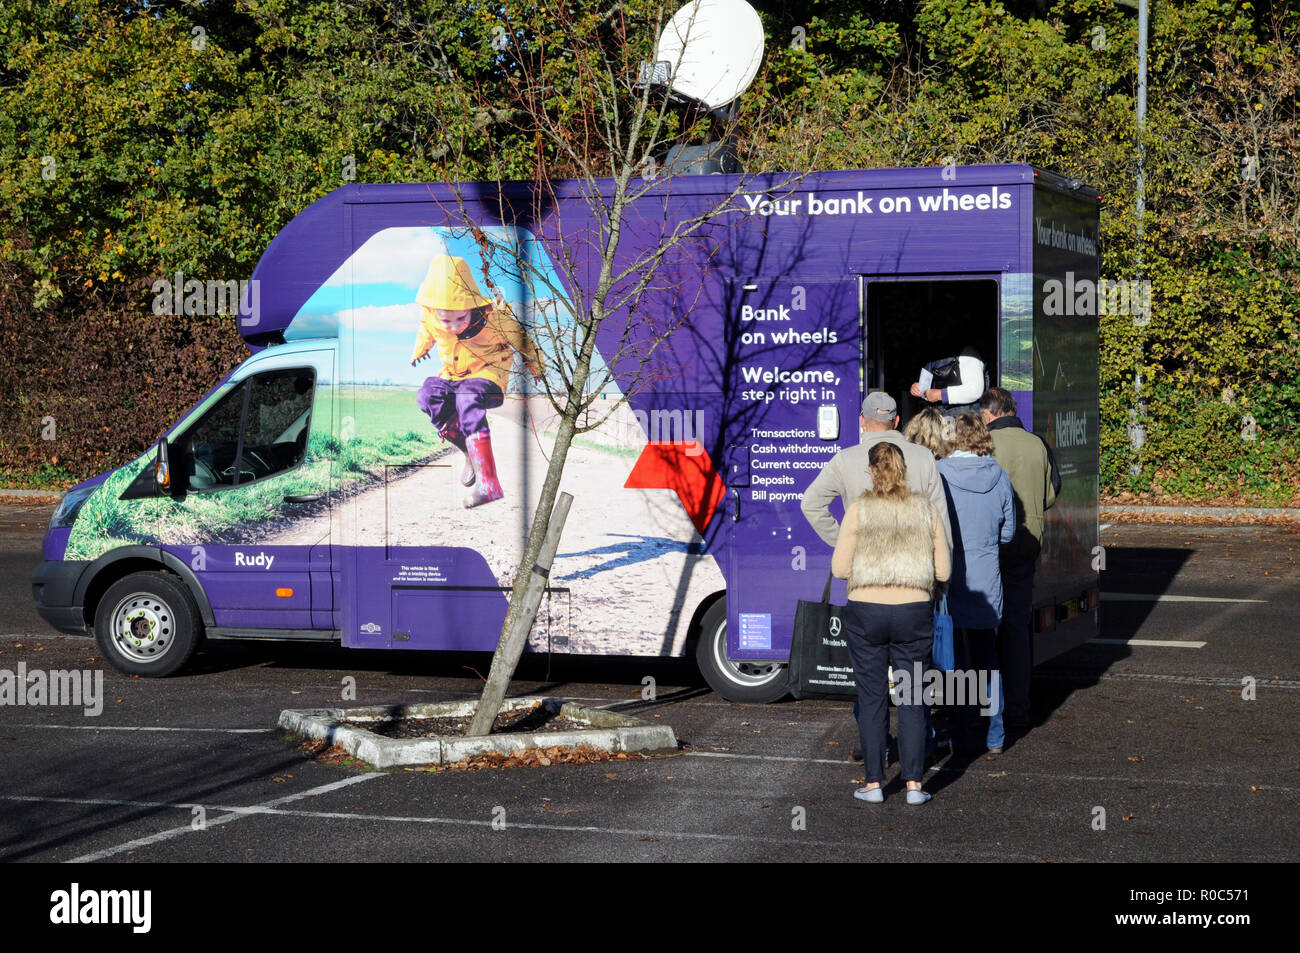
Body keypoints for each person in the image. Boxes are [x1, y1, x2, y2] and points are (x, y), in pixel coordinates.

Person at [833, 442, 950, 805]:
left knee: (871, 696)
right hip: (913, 610)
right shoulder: (926, 510)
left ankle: (874, 782)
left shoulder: (858, 511)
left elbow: (839, 569)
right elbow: (944, 570)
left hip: (866, 610)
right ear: (905, 472)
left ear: (870, 472)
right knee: (913, 697)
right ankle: (915, 784)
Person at [410, 256, 545, 508]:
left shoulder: (496, 320)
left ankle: (489, 485)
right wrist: (419, 350)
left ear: (471, 307)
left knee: (467, 398)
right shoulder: (431, 317)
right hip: (452, 377)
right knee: (427, 395)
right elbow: (426, 331)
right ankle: (469, 451)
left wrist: (535, 365)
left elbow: (523, 339)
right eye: (446, 321)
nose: (452, 327)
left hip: (488, 377)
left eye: (460, 319)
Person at [935, 413, 1015, 755]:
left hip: (949, 579)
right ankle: (995, 734)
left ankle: (957, 731)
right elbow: (1008, 533)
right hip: (987, 580)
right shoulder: (999, 476)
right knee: (987, 659)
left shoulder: (938, 474)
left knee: (951, 661)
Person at [978, 387, 1058, 727]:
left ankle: (983, 709)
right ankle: (1019, 707)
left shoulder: (985, 446)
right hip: (1027, 545)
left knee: (981, 630)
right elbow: (1051, 493)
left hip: (989, 547)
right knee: (1017, 628)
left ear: (989, 414)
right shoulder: (1037, 443)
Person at [802, 391, 952, 551]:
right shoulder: (924, 456)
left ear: (862, 421)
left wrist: (844, 542)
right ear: (896, 422)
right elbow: (940, 515)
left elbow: (810, 504)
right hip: (914, 562)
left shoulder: (844, 459)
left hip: (865, 561)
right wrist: (943, 565)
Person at [910, 345, 988, 417]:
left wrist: (941, 394)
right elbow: (924, 388)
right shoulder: (931, 356)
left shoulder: (968, 352)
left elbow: (974, 390)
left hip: (967, 422)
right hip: (938, 420)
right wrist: (916, 389)